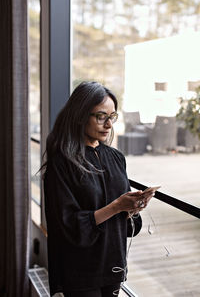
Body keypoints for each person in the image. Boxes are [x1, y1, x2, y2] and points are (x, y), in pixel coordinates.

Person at [43, 81, 155, 297]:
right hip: (80, 271)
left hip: (113, 264)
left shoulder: (115, 158)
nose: (109, 125)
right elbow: (67, 225)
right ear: (80, 115)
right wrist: (116, 207)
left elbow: (125, 222)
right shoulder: (62, 163)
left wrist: (132, 208)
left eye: (112, 117)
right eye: (101, 116)